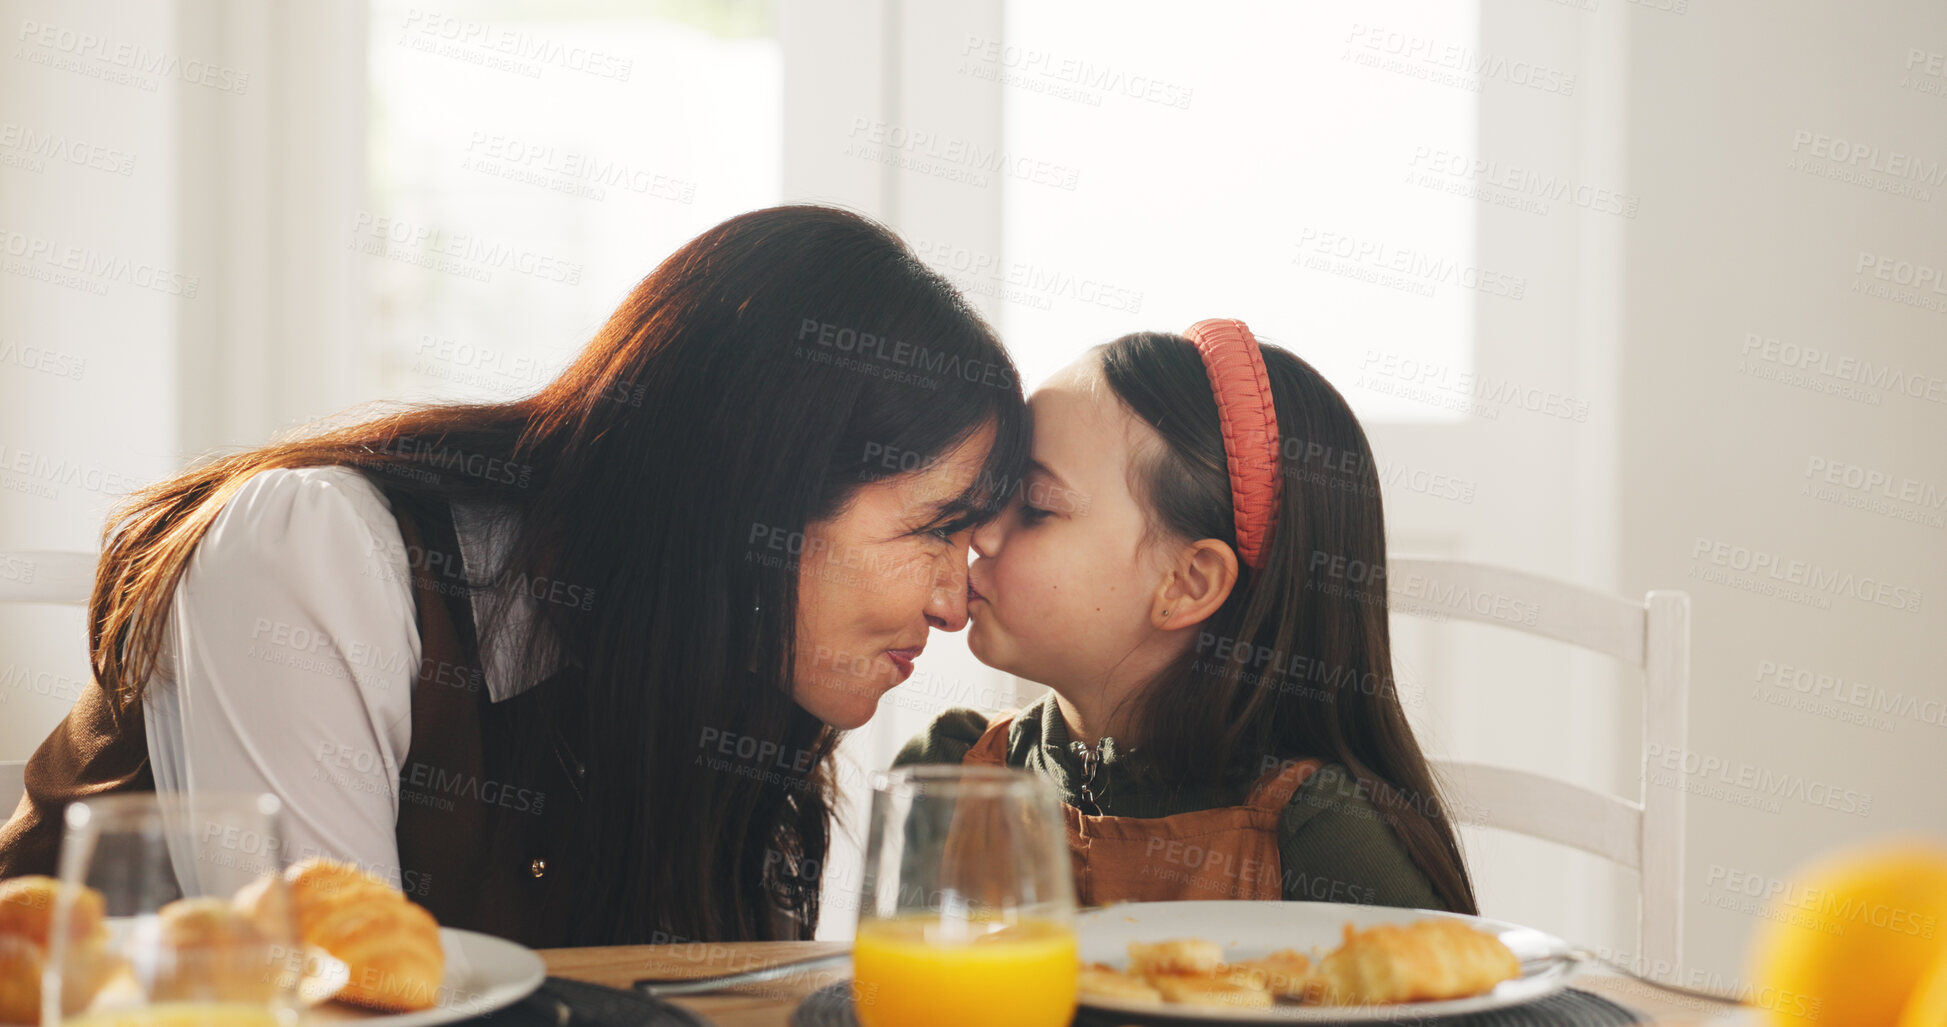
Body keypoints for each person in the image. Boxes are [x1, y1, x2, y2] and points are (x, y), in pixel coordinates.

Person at [0, 205, 1029, 946]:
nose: (954, 601)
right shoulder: (320, 556)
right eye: (935, 529)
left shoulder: (732, 678)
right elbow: (336, 993)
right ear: (752, 490)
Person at [897, 320, 1476, 913]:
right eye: (995, 495)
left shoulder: (1320, 835)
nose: (981, 533)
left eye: (1037, 506)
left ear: (1188, 582)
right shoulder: (947, 773)